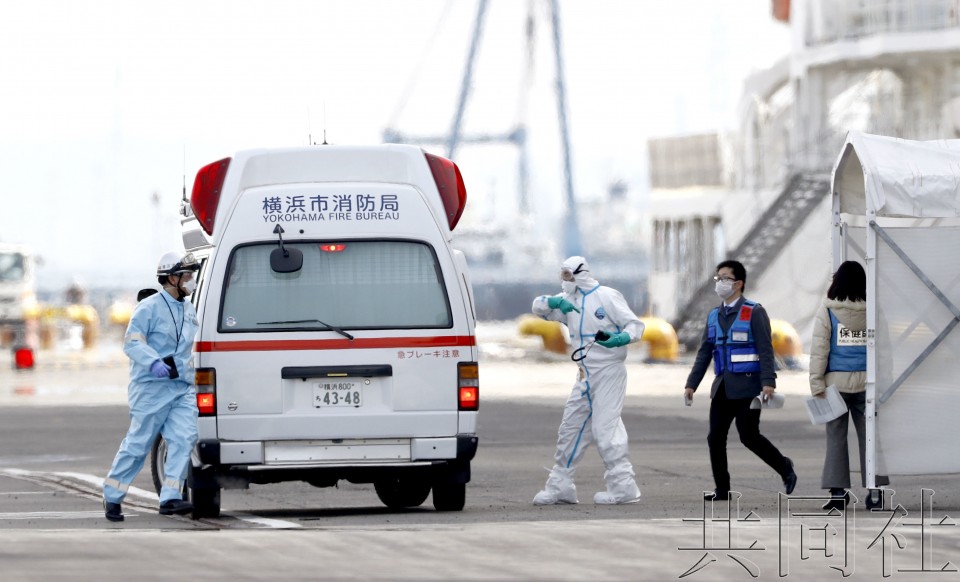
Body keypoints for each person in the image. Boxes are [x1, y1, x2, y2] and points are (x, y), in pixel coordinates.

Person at [532, 256, 646, 505]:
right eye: (562, 276)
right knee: (570, 429)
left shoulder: (607, 296)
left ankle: (623, 486)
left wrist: (618, 339)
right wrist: (553, 302)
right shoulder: (568, 301)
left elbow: (635, 326)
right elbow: (538, 307)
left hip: (608, 371)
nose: (564, 281)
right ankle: (560, 485)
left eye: (568, 275)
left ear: (579, 273)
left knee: (605, 428)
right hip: (584, 374)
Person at [684, 260, 797, 500]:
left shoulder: (754, 311)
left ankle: (785, 467)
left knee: (749, 436)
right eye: (718, 278)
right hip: (723, 387)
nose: (719, 283)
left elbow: (766, 349)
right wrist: (692, 383)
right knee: (715, 437)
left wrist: (769, 382)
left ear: (738, 283)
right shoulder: (714, 315)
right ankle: (722, 490)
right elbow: (705, 351)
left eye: (724, 278)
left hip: (748, 387)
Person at [102, 251, 201, 521]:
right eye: (187, 275)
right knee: (138, 445)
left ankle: (170, 497)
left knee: (183, 439)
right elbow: (132, 342)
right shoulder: (149, 308)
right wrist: (153, 362)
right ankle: (112, 495)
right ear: (172, 278)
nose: (191, 280)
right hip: (151, 388)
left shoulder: (188, 309)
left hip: (181, 387)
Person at [809, 260, 888, 510]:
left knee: (835, 438)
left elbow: (819, 350)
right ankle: (875, 493)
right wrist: (886, 382)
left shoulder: (828, 310)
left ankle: (837, 493)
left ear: (837, 281)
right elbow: (884, 351)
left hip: (835, 385)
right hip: (869, 384)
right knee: (871, 439)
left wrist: (816, 383)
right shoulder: (874, 310)